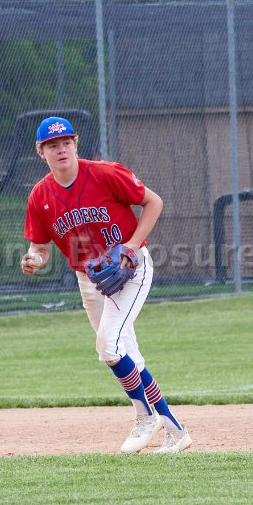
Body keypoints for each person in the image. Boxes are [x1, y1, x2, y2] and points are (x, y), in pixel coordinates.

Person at [21, 116, 192, 454]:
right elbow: (39, 247)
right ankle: (176, 431)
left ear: (76, 144)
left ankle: (145, 416)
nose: (61, 149)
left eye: (66, 142)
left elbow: (153, 202)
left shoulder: (104, 173)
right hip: (89, 279)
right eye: (52, 145)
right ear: (41, 152)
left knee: (109, 348)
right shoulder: (40, 196)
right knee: (127, 355)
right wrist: (34, 259)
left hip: (130, 269)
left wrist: (131, 246)